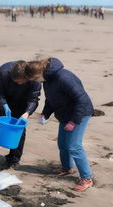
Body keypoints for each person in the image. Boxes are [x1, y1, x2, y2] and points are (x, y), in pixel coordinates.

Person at [24, 58, 94, 191]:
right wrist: (45, 113)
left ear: (39, 73)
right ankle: (68, 168)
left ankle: (87, 178)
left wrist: (74, 121)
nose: (34, 82)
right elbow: (51, 99)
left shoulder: (64, 78)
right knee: (62, 144)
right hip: (65, 114)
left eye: (33, 79)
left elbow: (82, 100)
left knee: (74, 146)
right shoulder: (47, 80)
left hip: (80, 114)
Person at [0, 61, 41, 169]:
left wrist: (27, 112)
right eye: (16, 81)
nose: (19, 84)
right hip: (7, 100)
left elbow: (34, 98)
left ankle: (15, 158)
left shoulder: (34, 78)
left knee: (19, 130)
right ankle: (10, 154)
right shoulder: (4, 72)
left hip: (23, 103)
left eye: (21, 82)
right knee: (7, 127)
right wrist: (4, 105)